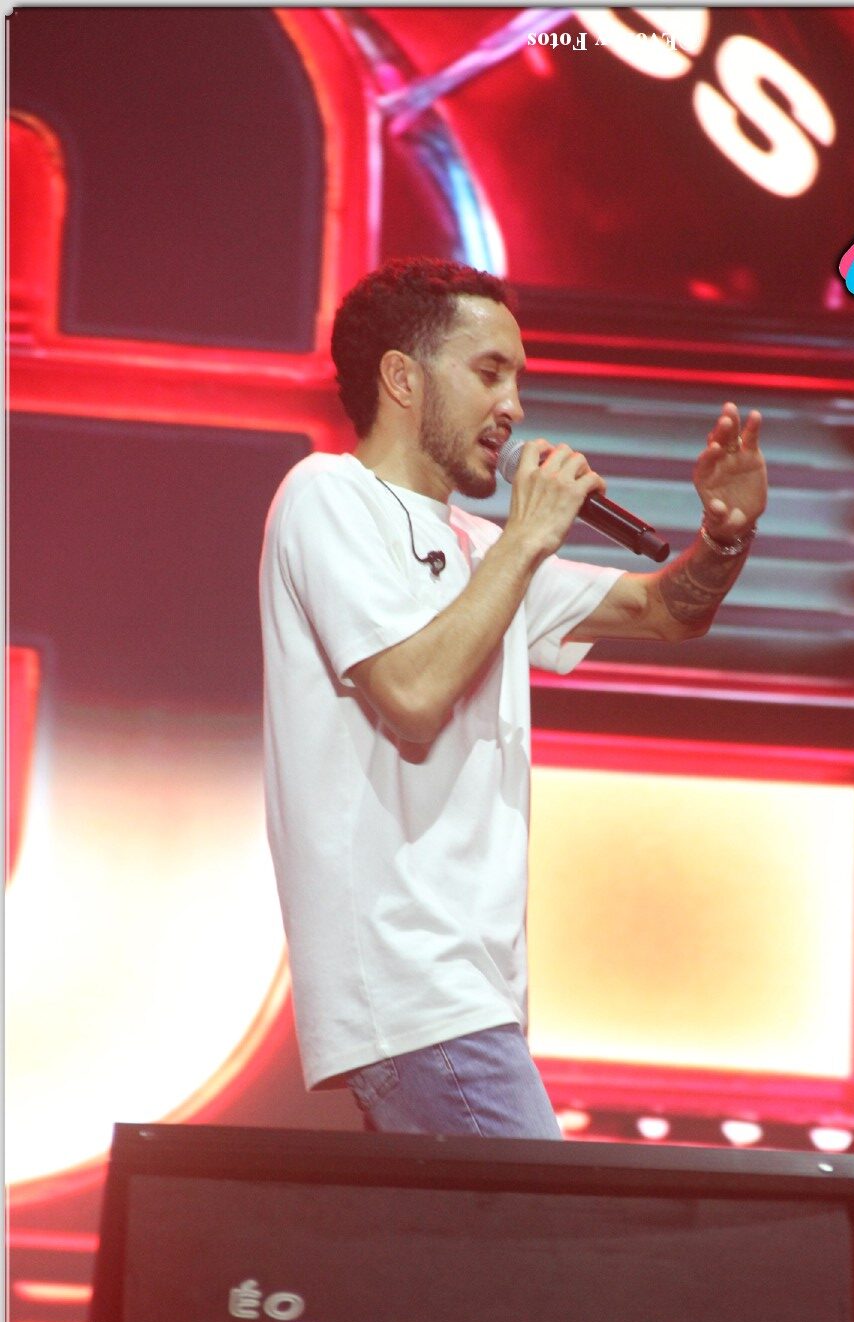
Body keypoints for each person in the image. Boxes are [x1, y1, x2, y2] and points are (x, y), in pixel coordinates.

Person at [260, 257, 766, 1138]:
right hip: (414, 988)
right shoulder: (327, 497)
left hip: (472, 995)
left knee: (489, 1235)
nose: (515, 407)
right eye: (490, 373)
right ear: (402, 378)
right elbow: (412, 694)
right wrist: (527, 537)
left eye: (518, 379)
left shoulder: (480, 547)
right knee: (552, 1223)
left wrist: (725, 537)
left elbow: (665, 611)